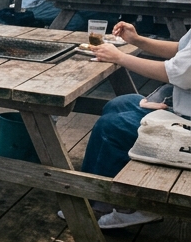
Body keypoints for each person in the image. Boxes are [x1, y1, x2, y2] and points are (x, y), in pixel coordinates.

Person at [78, 20, 191, 228]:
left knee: (111, 127)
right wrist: (137, 40)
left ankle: (134, 205)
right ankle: (96, 197)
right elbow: (181, 49)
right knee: (118, 104)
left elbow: (176, 73)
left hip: (186, 124)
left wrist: (119, 57)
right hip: (180, 108)